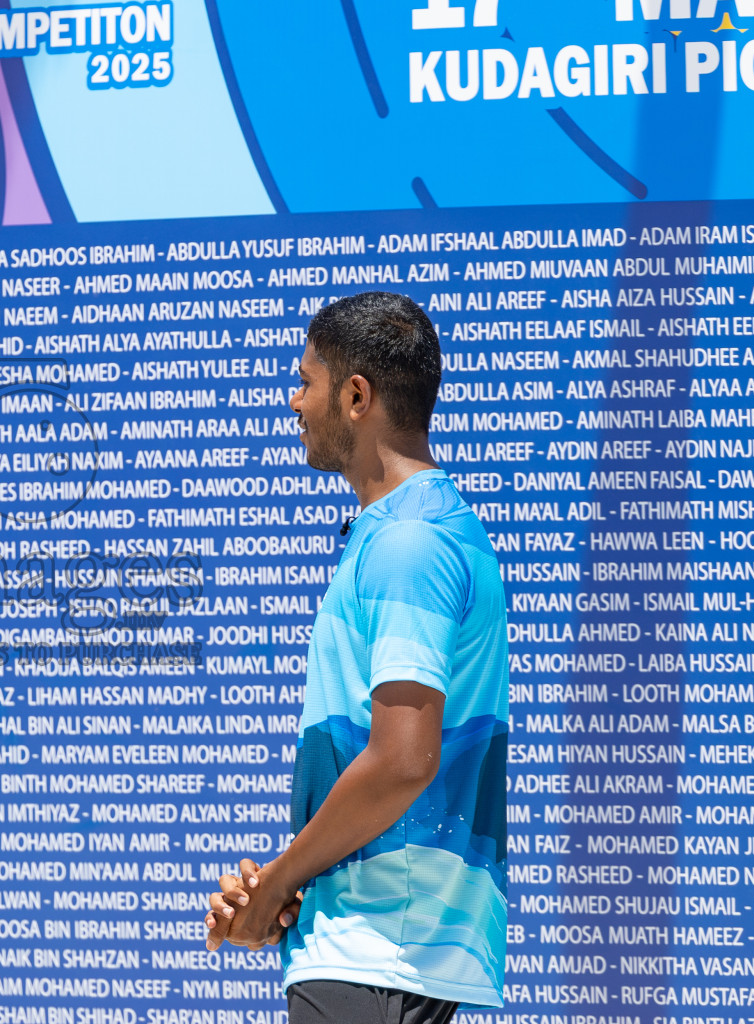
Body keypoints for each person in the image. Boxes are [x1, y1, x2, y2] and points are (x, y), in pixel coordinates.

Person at [203, 292, 509, 1022]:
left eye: (305, 381)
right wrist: (286, 885)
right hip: (385, 945)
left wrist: (279, 882)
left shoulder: (410, 543)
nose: (293, 402)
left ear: (356, 396)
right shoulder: (418, 531)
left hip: (379, 949)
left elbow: (402, 760)